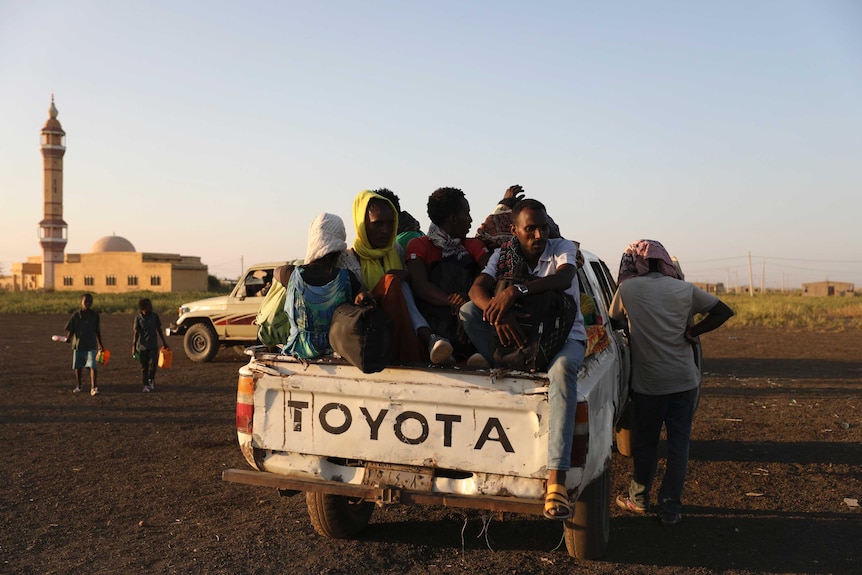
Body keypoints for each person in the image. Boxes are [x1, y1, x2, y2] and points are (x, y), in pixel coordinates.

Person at [459, 198, 587, 520]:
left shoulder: (562, 248)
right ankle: (508, 358)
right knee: (468, 312)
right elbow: (477, 288)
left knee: (563, 372)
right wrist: (496, 313)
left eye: (543, 227)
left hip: (562, 338)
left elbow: (563, 278)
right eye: (530, 229)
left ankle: (556, 480)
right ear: (515, 230)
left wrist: (516, 292)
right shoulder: (503, 255)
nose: (539, 235)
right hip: (521, 338)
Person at [610, 239, 734, 527]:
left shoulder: (628, 289)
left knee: (646, 445)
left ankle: (638, 499)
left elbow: (614, 318)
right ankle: (671, 509)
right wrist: (694, 331)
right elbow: (723, 311)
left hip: (648, 384)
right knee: (679, 447)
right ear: (666, 261)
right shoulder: (685, 289)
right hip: (684, 381)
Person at [346, 190, 442, 363]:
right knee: (392, 281)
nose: (386, 230)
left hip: (400, 320)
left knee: (397, 282)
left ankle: (428, 341)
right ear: (362, 223)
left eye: (391, 224)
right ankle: (427, 339)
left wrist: (401, 276)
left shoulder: (395, 249)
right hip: (371, 328)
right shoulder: (347, 259)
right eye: (378, 224)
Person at [406, 187, 490, 362]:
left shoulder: (472, 245)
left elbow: (490, 274)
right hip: (434, 314)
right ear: (453, 219)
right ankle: (439, 347)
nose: (471, 220)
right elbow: (420, 286)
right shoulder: (419, 245)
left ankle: (471, 355)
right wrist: (453, 302)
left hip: (467, 312)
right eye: (467, 214)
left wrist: (467, 299)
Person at [274, 212, 372, 359]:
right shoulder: (348, 279)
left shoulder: (290, 274)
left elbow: (276, 271)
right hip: (336, 353)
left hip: (298, 353)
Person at [64, 293, 105, 396]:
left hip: (91, 344)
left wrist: (100, 344)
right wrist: (68, 338)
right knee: (78, 366)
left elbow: (97, 330)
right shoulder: (76, 316)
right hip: (78, 345)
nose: (88, 303)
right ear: (81, 302)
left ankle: (93, 388)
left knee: (93, 365)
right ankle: (79, 385)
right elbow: (71, 329)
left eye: (90, 302)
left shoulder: (95, 316)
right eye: (85, 301)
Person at [133, 298, 170, 392]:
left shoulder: (154, 316)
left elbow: (159, 330)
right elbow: (136, 333)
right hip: (142, 346)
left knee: (154, 363)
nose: (150, 308)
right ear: (143, 308)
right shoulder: (138, 318)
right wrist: (134, 347)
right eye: (148, 306)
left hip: (153, 344)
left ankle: (151, 378)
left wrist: (164, 342)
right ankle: (145, 385)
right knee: (144, 366)